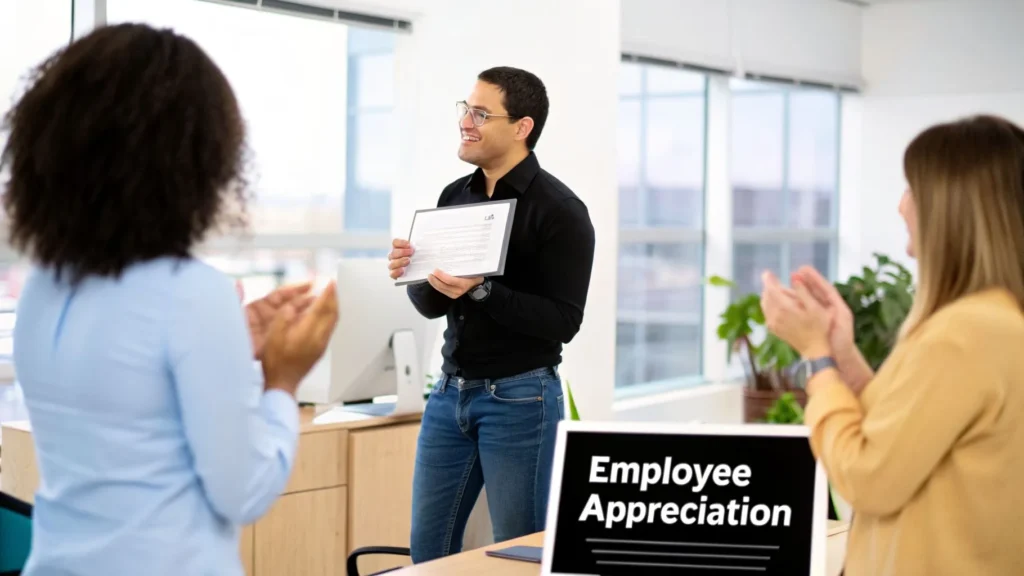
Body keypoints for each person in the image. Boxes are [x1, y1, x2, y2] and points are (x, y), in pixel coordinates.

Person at [0, 24, 339, 576]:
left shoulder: (43, 286)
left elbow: (121, 403)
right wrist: (282, 381)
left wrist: (227, 344)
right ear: (194, 161)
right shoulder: (192, 293)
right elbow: (245, 491)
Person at [760, 115, 1024, 575]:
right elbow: (906, 431)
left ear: (951, 212)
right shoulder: (993, 321)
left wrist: (816, 358)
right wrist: (841, 352)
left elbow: (868, 476)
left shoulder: (965, 335)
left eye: (912, 190)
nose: (902, 206)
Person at [388, 67, 596, 562]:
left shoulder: (561, 210)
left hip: (520, 399)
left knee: (519, 555)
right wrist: (414, 273)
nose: (466, 122)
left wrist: (483, 291)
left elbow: (564, 321)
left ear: (522, 127)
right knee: (428, 553)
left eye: (481, 114)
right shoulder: (454, 196)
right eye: (466, 109)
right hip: (449, 395)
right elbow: (433, 306)